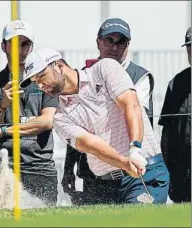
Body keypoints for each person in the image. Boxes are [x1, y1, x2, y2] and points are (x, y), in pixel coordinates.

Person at [20, 48, 169, 204]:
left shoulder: (104, 68)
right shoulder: (59, 117)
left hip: (144, 173)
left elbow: (130, 105)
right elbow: (91, 145)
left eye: (42, 76)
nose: (40, 85)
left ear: (59, 65)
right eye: (35, 82)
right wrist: (124, 163)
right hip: (103, 185)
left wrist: (135, 149)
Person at [62, 18, 155, 205]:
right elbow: (72, 127)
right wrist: (68, 169)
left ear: (128, 45)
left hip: (132, 170)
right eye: (109, 41)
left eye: (121, 42)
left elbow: (132, 116)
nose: (114, 47)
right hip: (93, 173)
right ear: (98, 42)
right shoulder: (82, 76)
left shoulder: (140, 76)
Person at [0, 20, 58, 205]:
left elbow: (46, 122)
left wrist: (5, 131)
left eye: (25, 44)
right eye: (14, 44)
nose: (20, 51)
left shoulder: (47, 80)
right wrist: (2, 105)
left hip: (40, 169)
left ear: (32, 47)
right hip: (3, 168)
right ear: (3, 46)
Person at [158, 26, 191, 203]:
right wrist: (167, 170)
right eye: (189, 47)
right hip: (182, 177)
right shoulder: (176, 84)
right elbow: (167, 134)